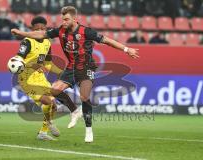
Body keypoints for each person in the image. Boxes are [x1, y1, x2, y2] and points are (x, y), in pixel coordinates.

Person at [11, 6, 139, 143]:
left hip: (86, 67)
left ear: (74, 19)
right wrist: (21, 32)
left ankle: (88, 130)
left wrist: (126, 49)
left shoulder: (86, 32)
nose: (64, 22)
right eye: (63, 19)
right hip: (71, 68)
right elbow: (41, 34)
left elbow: (107, 40)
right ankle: (74, 111)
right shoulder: (60, 31)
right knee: (54, 89)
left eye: (66, 19)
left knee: (84, 96)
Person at [12, 16, 70, 141]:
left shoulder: (47, 42)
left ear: (46, 29)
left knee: (53, 106)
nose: (39, 31)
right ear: (32, 29)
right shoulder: (27, 41)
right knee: (47, 101)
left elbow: (47, 63)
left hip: (40, 78)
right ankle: (49, 123)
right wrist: (31, 65)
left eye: (42, 29)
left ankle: (42, 133)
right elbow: (18, 59)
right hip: (26, 79)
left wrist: (61, 72)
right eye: (36, 29)